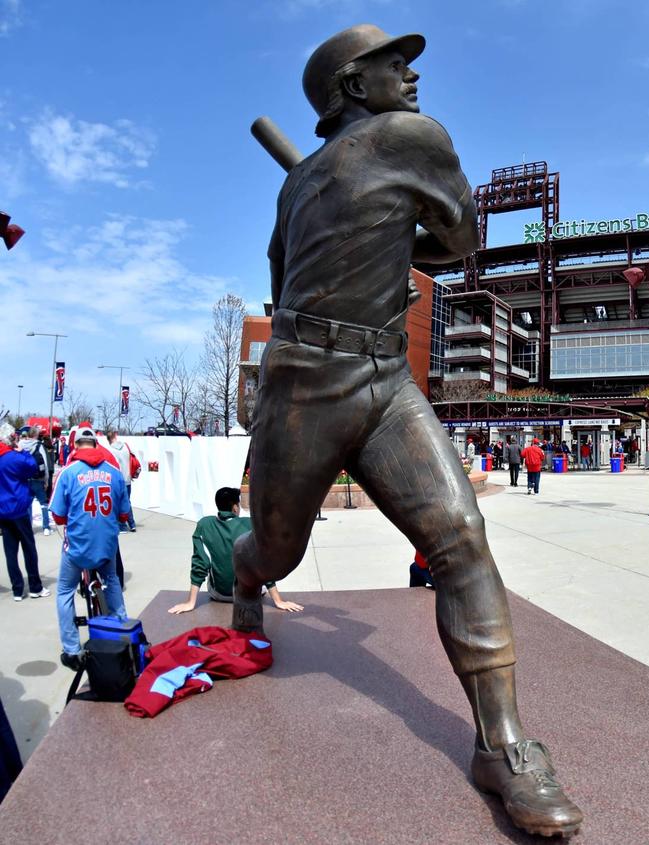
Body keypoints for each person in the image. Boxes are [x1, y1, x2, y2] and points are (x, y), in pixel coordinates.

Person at [231, 24, 580, 837]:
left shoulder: (375, 153)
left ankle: (503, 744)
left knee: (459, 531)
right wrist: (389, 245)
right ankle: (244, 581)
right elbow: (456, 238)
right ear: (354, 87)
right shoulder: (360, 161)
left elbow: (295, 282)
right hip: (301, 387)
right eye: (395, 63)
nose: (412, 74)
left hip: (385, 379)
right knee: (275, 550)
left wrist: (385, 249)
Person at [50, 426, 128, 669]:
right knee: (113, 580)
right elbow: (124, 515)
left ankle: (72, 651)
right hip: (106, 546)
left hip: (78, 550)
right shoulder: (114, 472)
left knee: (64, 591)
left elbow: (58, 516)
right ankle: (122, 628)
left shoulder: (68, 472)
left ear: (75, 446)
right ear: (96, 445)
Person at [168, 487, 304, 615]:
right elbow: (262, 563)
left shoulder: (204, 525)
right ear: (235, 507)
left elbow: (201, 563)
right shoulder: (249, 524)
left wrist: (190, 603)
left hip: (219, 594)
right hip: (249, 595)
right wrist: (278, 601)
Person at [0, 424, 49, 602]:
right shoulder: (14, 457)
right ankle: (35, 587)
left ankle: (17, 590)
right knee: (29, 547)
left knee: (10, 551)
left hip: (3, 510)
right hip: (19, 508)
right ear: (12, 438)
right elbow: (32, 467)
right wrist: (22, 452)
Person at [19, 427, 53, 534]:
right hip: (38, 478)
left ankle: (28, 527)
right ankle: (46, 527)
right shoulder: (39, 446)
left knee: (28, 504)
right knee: (43, 503)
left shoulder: (20, 445)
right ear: (36, 435)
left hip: (24, 478)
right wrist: (46, 480)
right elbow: (45, 465)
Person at [105, 430, 137, 532]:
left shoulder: (110, 450)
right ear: (115, 436)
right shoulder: (126, 447)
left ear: (108, 439)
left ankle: (122, 525)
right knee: (127, 501)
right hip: (127, 478)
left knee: (117, 502)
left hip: (117, 479)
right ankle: (132, 524)